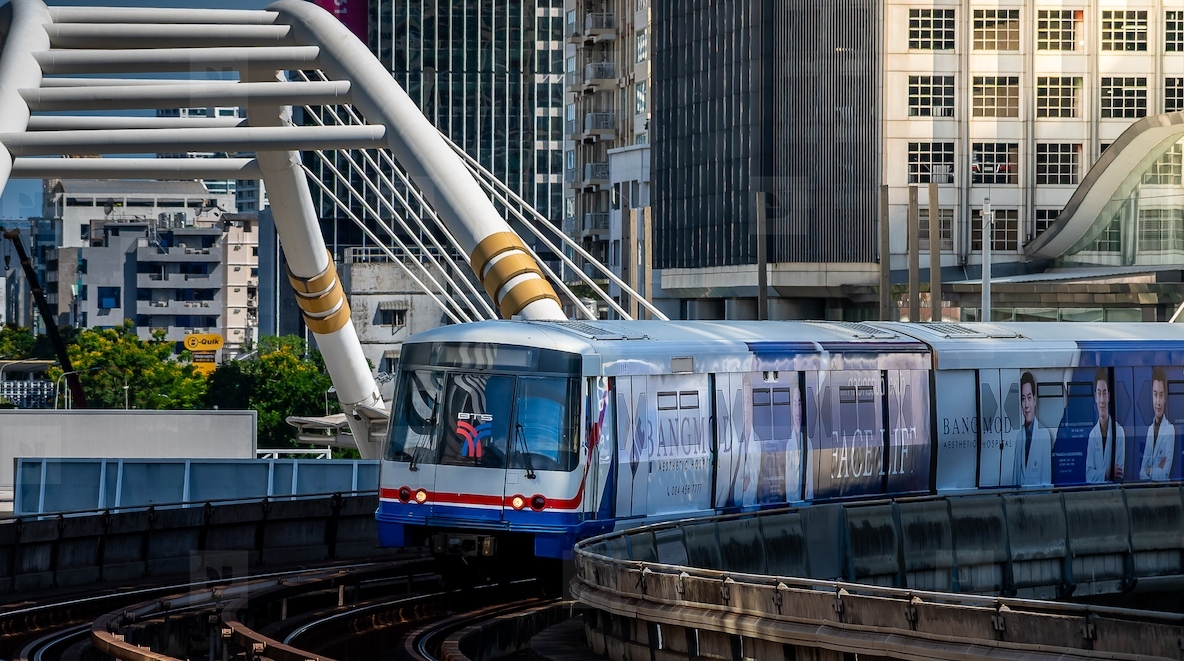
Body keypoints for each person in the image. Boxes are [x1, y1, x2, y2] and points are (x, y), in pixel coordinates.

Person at [1011, 371, 1052, 486]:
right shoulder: (1019, 437)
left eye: (1029, 398)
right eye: (1023, 399)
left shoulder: (1044, 435)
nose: (1026, 405)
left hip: (1037, 497)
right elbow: (1015, 480)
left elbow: (1046, 481)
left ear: (1034, 400)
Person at [1085, 368, 1125, 483]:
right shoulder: (1093, 435)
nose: (1102, 400)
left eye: (1104, 393)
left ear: (1109, 396)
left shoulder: (1119, 432)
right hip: (1096, 493)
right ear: (1096, 397)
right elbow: (1088, 475)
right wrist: (1106, 473)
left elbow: (1119, 474)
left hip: (1115, 492)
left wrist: (1099, 475)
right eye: (1099, 393)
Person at [1139, 367, 1175, 481]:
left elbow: (1165, 474)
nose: (1158, 402)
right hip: (1148, 489)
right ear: (1152, 397)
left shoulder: (1170, 429)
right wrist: (1155, 470)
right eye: (1155, 395)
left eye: (1161, 395)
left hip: (1163, 490)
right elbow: (1141, 473)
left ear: (1165, 398)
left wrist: (1149, 470)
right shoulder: (1150, 429)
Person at [784, 387, 804, 500]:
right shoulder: (788, 445)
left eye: (799, 404)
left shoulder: (809, 443)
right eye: (795, 404)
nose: (797, 412)